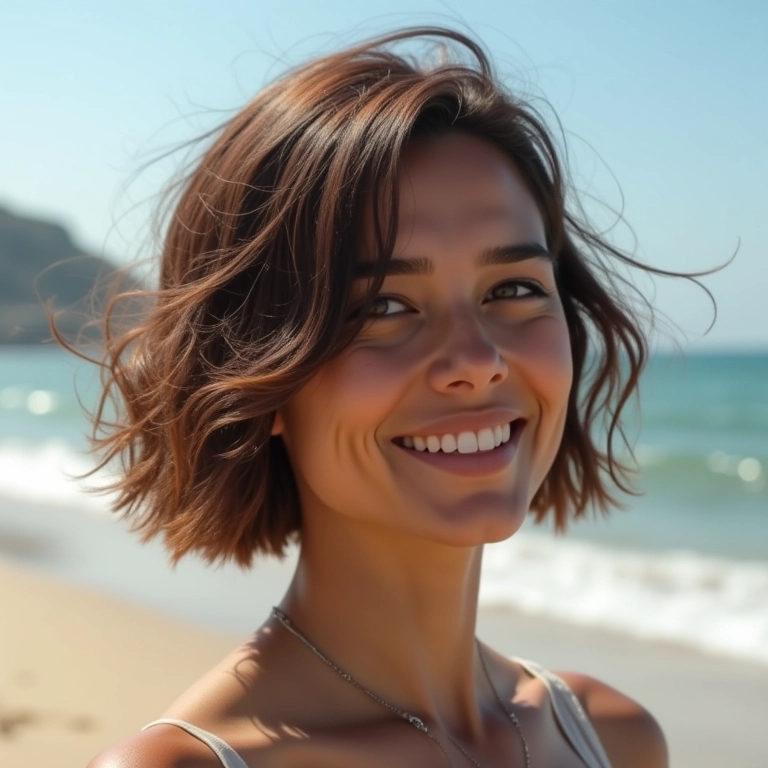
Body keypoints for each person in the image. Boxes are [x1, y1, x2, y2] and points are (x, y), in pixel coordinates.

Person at [80, 26, 670, 768]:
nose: (477, 362)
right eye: (384, 306)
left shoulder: (613, 738)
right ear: (256, 372)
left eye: (514, 289)